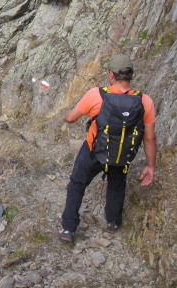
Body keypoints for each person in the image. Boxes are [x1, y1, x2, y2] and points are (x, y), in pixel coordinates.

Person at [58, 54, 157, 243]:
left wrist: (65, 115)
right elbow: (150, 138)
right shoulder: (145, 101)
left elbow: (70, 118)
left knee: (77, 184)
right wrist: (150, 166)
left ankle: (68, 228)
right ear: (130, 75)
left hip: (94, 149)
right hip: (122, 151)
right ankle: (112, 222)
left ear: (111, 74)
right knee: (117, 184)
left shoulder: (96, 94)